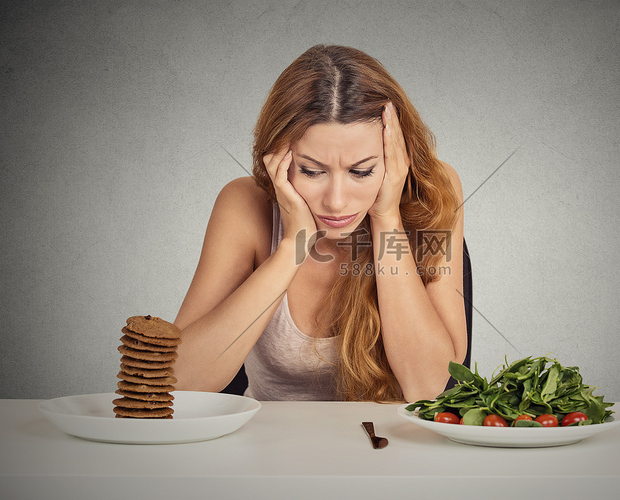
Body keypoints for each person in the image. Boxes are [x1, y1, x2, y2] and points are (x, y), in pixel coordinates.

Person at [174, 45, 467, 402]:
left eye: (362, 171)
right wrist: (292, 247)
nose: (336, 200)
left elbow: (429, 387)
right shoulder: (244, 204)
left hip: (392, 451)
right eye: (312, 171)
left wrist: (386, 218)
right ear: (278, 157)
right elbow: (179, 380)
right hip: (270, 451)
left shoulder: (433, 191)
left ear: (395, 159)